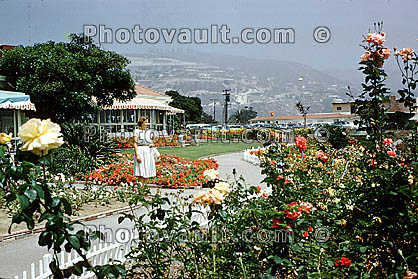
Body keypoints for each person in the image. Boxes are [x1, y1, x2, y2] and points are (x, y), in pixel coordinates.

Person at [133, 117, 157, 184]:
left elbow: (151, 141)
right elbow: (135, 143)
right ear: (141, 123)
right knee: (140, 171)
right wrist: (137, 155)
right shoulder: (136, 131)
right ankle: (140, 189)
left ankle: (145, 188)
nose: (147, 124)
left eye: (147, 122)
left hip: (148, 152)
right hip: (140, 151)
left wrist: (152, 144)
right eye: (146, 122)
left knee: (147, 171)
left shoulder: (149, 132)